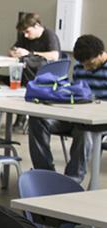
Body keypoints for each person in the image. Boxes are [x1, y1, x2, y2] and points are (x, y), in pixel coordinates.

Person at [28, 34, 107, 182]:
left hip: (98, 123)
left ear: (101, 53)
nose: (85, 68)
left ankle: (71, 181)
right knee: (37, 120)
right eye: (82, 64)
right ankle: (45, 174)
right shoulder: (79, 68)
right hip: (75, 116)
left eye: (89, 63)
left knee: (84, 132)